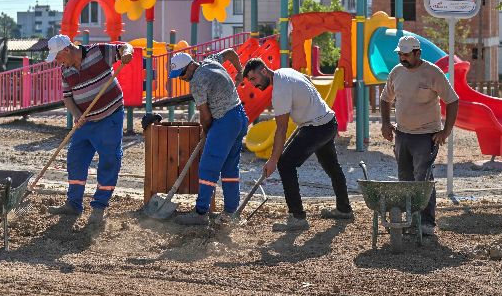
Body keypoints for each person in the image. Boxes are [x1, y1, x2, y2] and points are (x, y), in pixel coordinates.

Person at [242, 58, 353, 231]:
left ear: (263, 71)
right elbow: (306, 82)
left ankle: (297, 217)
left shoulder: (280, 90)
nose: (253, 84)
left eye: (253, 79)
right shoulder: (286, 72)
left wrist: (273, 160)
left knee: (285, 163)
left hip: (316, 127)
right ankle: (344, 209)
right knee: (332, 166)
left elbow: (281, 129)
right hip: (328, 122)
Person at [45, 34, 133, 226]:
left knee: (109, 159)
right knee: (75, 158)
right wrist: (77, 114)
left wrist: (127, 53)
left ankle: (99, 206)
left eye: (58, 56)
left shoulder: (98, 52)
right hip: (85, 121)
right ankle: (73, 203)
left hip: (110, 115)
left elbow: (124, 47)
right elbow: (67, 96)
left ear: (67, 50)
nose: (57, 61)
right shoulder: (65, 70)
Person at [378, 35, 459, 236]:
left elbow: (452, 101)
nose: (402, 58)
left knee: (422, 178)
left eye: (406, 55)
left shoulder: (432, 73)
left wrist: (445, 131)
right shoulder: (397, 73)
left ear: (417, 53)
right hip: (402, 134)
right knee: (404, 178)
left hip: (426, 136)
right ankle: (409, 219)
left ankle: (427, 222)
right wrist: (386, 123)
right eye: (400, 54)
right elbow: (385, 98)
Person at [156, 50, 247, 226]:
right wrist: (240, 70)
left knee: (207, 167)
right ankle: (230, 212)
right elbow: (230, 53)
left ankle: (200, 213)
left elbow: (205, 116)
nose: (182, 78)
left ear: (190, 66)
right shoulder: (210, 60)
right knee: (229, 168)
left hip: (224, 120)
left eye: (182, 74)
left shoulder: (197, 82)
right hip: (240, 117)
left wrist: (206, 130)